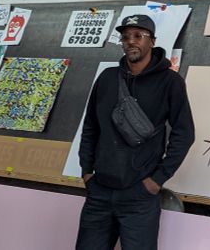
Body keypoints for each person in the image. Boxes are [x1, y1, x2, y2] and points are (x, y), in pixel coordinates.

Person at [76, 14, 195, 250]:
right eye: (126, 36)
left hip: (139, 195)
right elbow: (91, 126)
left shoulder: (170, 82)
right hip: (99, 191)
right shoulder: (107, 78)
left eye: (139, 36)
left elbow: (184, 133)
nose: (131, 41)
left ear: (152, 41)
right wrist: (87, 170)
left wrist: (157, 179)